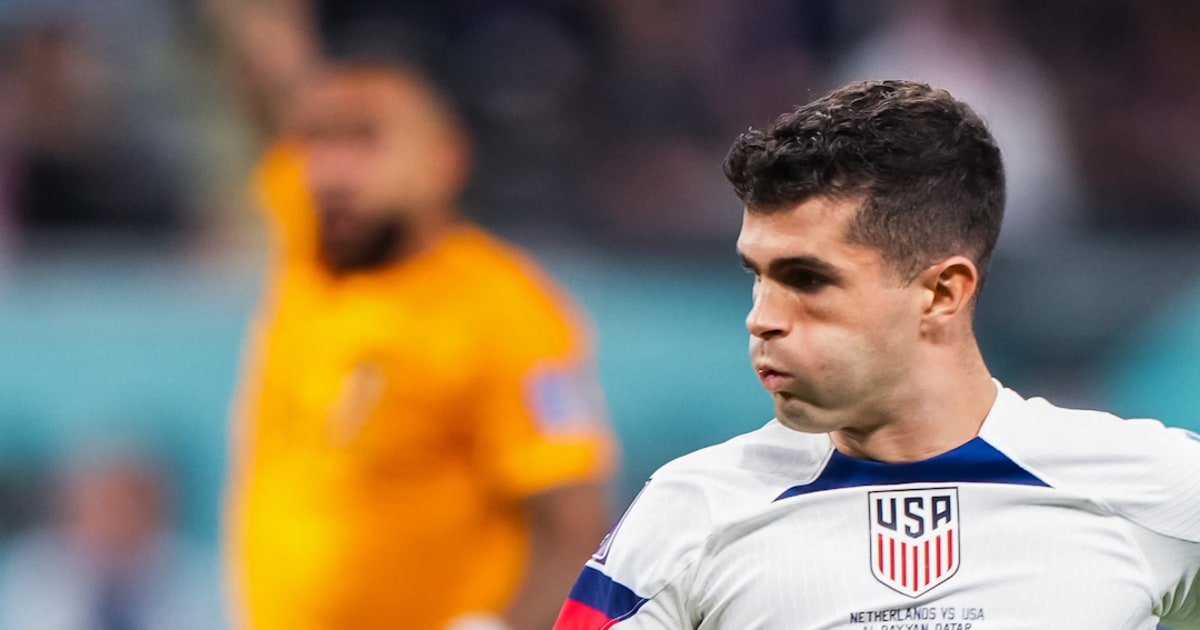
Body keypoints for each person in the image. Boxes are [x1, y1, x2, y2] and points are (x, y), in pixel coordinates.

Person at [553, 80, 1200, 629]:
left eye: (807, 279)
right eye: (758, 275)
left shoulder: (1151, 484)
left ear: (942, 293)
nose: (762, 318)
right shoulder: (690, 512)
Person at [224, 29, 614, 630]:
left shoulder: (506, 311)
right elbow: (263, 55)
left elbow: (576, 528)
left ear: (443, 159)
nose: (331, 171)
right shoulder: (311, 253)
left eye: (366, 140)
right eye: (317, 140)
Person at [0, 443, 222, 630]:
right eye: (99, 507)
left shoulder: (205, 585)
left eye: (127, 508)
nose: (113, 522)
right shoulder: (31, 576)